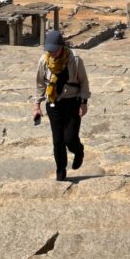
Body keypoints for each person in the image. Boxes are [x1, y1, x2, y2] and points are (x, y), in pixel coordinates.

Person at [33, 30, 91, 181]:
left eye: (54, 49)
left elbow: (84, 82)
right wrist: (37, 105)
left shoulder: (75, 59)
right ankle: (61, 171)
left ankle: (78, 150)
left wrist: (84, 102)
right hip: (54, 103)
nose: (51, 53)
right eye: (49, 50)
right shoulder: (44, 61)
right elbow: (40, 84)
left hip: (72, 102)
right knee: (58, 141)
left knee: (69, 139)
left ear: (62, 47)